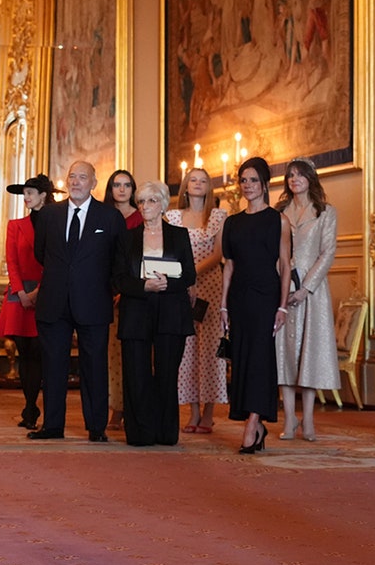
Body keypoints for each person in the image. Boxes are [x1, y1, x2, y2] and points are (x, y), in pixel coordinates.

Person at [30, 160, 125, 442]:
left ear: (93, 183)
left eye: (83, 177)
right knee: (53, 366)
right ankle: (52, 426)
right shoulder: (49, 215)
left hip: (93, 302)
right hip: (54, 301)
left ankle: (96, 427)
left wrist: (106, 288)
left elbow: (118, 260)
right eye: (72, 176)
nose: (76, 182)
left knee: (94, 367)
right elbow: (40, 254)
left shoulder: (110, 217)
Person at [113, 180, 196, 446]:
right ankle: (140, 433)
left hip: (171, 311)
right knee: (136, 374)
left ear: (162, 204)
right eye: (141, 201)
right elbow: (118, 278)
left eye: (151, 200)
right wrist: (144, 286)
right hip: (136, 310)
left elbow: (189, 275)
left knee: (166, 374)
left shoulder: (179, 235)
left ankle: (165, 432)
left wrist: (167, 284)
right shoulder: (127, 237)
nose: (145, 206)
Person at [220, 156, 291, 454]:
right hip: (239, 298)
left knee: (261, 358)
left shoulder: (278, 220)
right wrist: (223, 305)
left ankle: (253, 423)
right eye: (243, 180)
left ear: (264, 184)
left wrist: (283, 306)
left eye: (253, 180)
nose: (247, 185)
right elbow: (229, 266)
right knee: (242, 358)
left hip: (266, 297)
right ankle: (255, 422)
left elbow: (285, 265)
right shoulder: (232, 222)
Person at [275, 158, 339, 441]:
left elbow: (328, 252)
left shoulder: (326, 212)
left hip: (313, 292)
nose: (294, 179)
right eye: (290, 175)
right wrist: (283, 284)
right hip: (283, 288)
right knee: (284, 354)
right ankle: (289, 418)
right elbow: (274, 251)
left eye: (300, 175)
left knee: (310, 354)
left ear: (311, 178)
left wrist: (305, 288)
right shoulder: (279, 212)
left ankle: (309, 419)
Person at [165, 167, 228, 433]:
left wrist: (192, 274)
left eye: (203, 180)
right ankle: (192, 412)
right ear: (185, 186)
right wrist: (185, 279)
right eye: (193, 180)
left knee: (211, 349)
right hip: (182, 288)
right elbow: (169, 251)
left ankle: (209, 413)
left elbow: (218, 253)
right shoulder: (172, 216)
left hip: (210, 286)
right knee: (187, 348)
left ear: (209, 187)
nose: (198, 184)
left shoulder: (218, 216)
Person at [0, 174, 51, 430]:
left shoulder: (55, 223)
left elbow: (56, 260)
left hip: (47, 292)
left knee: (40, 353)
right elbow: (12, 262)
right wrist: (21, 292)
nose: (25, 197)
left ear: (43, 196)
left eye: (30, 193)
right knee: (25, 354)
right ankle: (30, 407)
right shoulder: (15, 225)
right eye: (24, 193)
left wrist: (39, 291)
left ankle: (39, 409)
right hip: (19, 297)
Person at [102, 169, 142, 432]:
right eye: (117, 185)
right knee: (113, 355)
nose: (122, 189)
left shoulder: (141, 216)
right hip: (108, 293)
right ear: (110, 188)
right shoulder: (103, 216)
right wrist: (112, 290)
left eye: (127, 185)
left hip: (136, 293)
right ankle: (116, 408)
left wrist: (127, 289)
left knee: (137, 355)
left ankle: (135, 407)